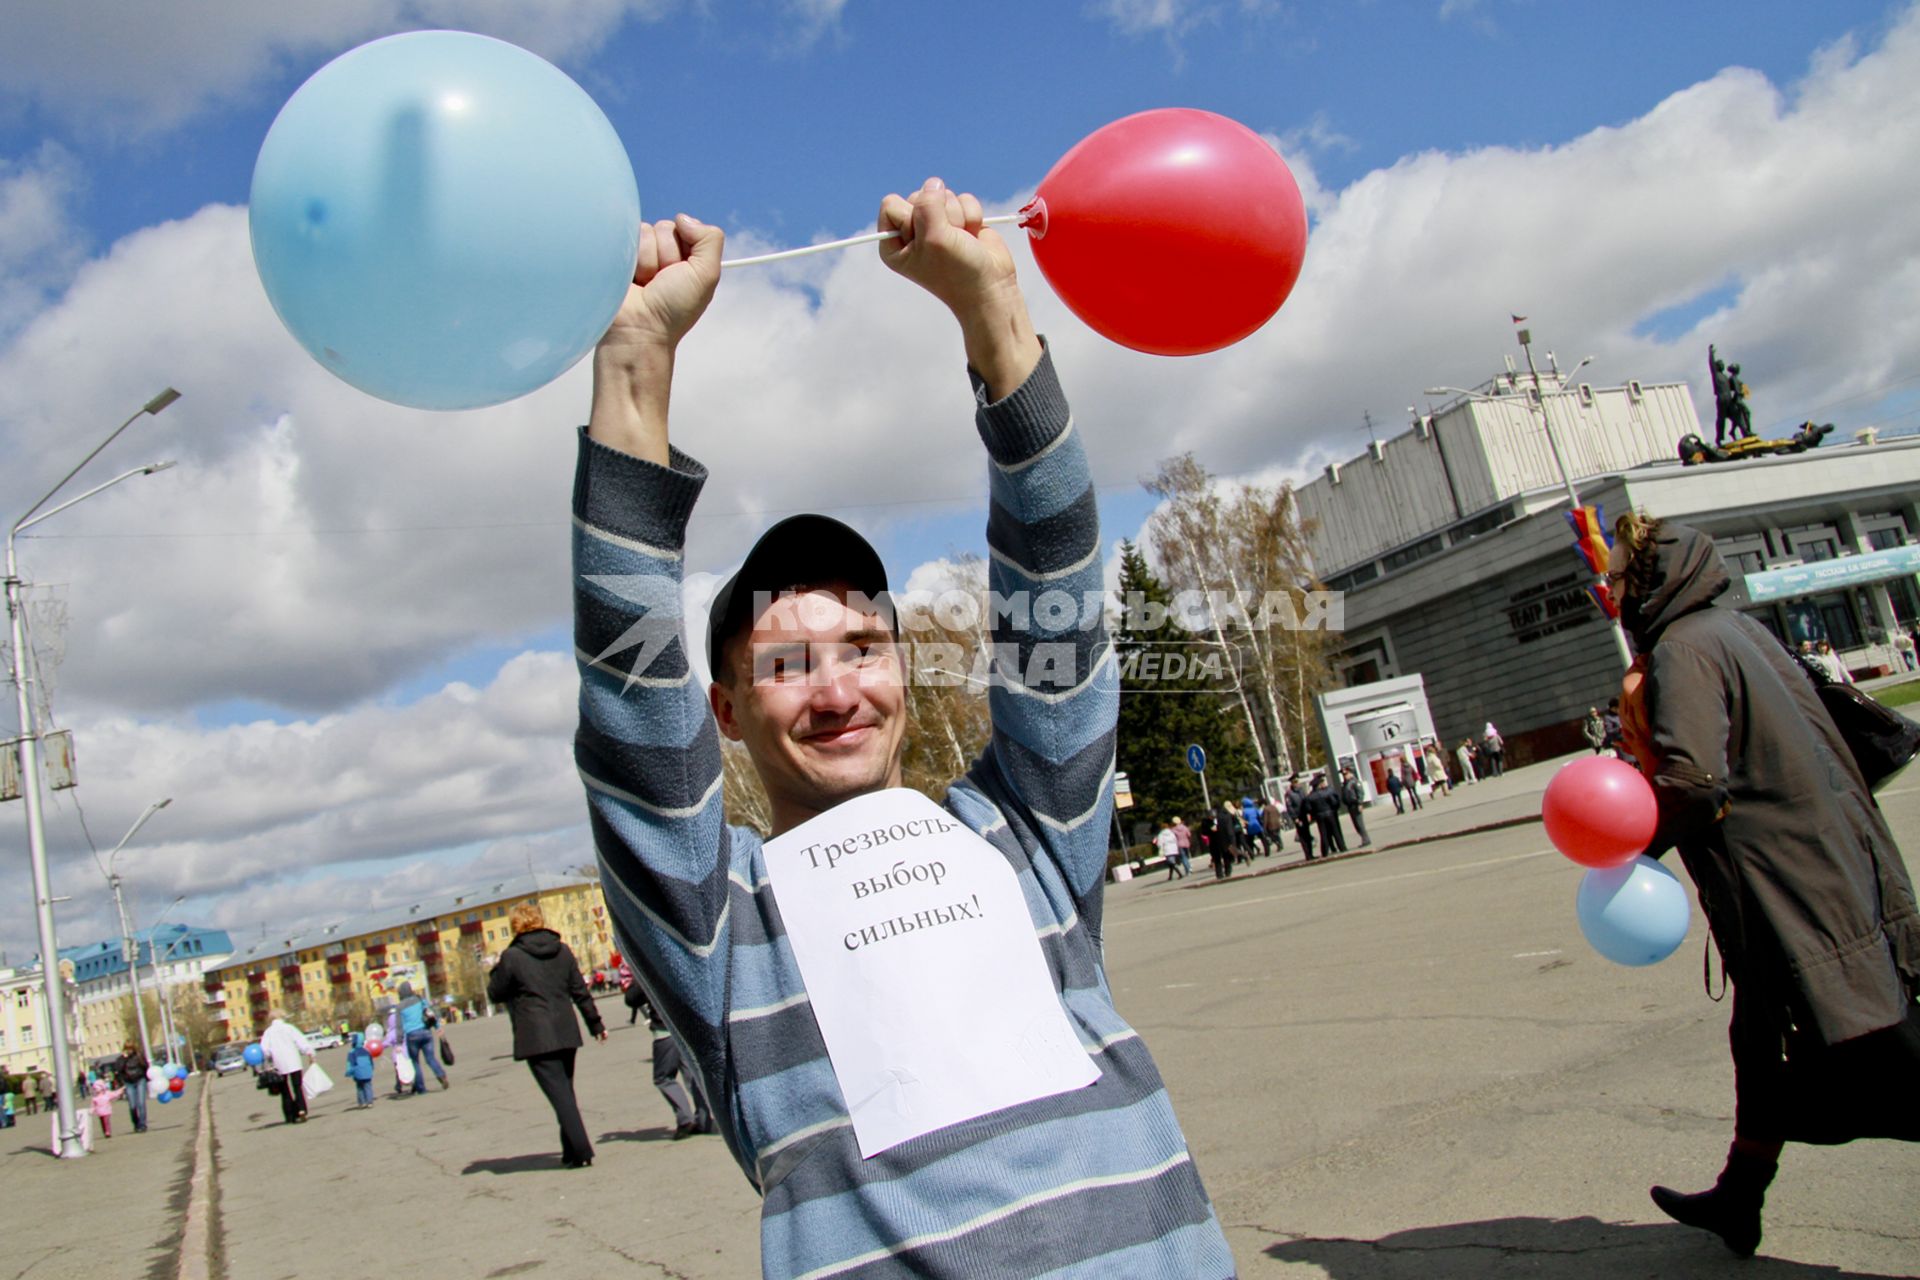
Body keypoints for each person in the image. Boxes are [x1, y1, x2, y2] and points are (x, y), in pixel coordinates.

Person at [570, 184, 1234, 1277]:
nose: (836, 691)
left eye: (863, 648)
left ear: (907, 676)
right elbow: (631, 697)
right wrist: (636, 363)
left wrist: (995, 317)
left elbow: (1055, 595)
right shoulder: (718, 920)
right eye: (785, 664)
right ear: (727, 711)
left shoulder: (1023, 828)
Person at [1610, 512, 1920, 1258]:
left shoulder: (1684, 650)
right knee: (1757, 1037)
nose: (1611, 591)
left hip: (1793, 892)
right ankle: (1739, 1197)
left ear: (1650, 579)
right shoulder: (1738, 629)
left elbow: (1693, 779)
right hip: (1833, 865)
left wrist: (1634, 847)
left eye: (1618, 576)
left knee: (1883, 1061)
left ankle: (1746, 1186)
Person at [486, 900, 607, 1170]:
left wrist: (496, 967)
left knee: (560, 1095)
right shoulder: (562, 950)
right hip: (565, 1029)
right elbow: (579, 991)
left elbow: (495, 992)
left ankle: (582, 1149)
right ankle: (571, 1151)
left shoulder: (512, 957)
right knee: (564, 1091)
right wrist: (596, 1024)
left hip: (536, 1035)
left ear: (515, 925)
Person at [631, 984, 713, 1140]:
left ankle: (685, 1120)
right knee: (693, 1077)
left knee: (663, 1078)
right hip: (686, 1028)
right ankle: (703, 1120)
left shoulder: (651, 964)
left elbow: (632, 998)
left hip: (665, 1030)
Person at [259, 1009, 314, 1124]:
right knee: (297, 1087)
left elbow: (264, 1049)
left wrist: (269, 1057)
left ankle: (289, 1115)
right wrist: (309, 1053)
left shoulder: (268, 1032)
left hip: (279, 1064)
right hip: (294, 1061)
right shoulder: (289, 1028)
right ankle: (301, 1109)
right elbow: (301, 1041)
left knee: (285, 1090)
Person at [396, 981, 449, 1093]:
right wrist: (437, 1027)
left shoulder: (400, 1007)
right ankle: (441, 1075)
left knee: (415, 1062)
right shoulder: (420, 1000)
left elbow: (399, 1026)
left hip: (412, 1036)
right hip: (426, 1032)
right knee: (430, 1058)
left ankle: (421, 1088)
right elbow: (430, 1013)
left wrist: (399, 1043)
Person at [1305, 773, 1346, 855]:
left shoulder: (1310, 797)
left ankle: (1324, 852)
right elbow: (1334, 802)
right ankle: (1342, 847)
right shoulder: (1326, 793)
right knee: (1335, 831)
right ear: (1319, 785)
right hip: (1330, 814)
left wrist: (1314, 814)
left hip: (1319, 816)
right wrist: (1334, 809)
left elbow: (1308, 809)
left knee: (1323, 834)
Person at [116, 1040, 149, 1134]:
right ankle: (136, 1123)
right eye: (127, 1048)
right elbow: (118, 1069)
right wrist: (124, 1059)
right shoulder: (121, 1059)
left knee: (141, 1103)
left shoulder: (139, 1056)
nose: (129, 1050)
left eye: (131, 1048)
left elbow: (146, 1066)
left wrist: (145, 1077)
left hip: (140, 1080)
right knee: (132, 1105)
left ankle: (143, 1124)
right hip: (128, 1082)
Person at [1337, 767, 1370, 847]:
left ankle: (1366, 839)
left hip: (1356, 805)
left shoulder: (1355, 782)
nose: (1344, 776)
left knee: (1359, 823)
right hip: (1350, 806)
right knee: (1356, 824)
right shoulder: (1345, 783)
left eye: (1345, 774)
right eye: (1343, 775)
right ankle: (1364, 838)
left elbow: (1360, 793)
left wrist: (1360, 804)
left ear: (1350, 773)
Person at [1286, 773, 1316, 859]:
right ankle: (1307, 855)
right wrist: (1295, 818)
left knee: (1307, 834)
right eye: (1295, 782)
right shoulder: (1289, 794)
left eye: (1297, 781)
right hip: (1298, 817)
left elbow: (1306, 802)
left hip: (1304, 815)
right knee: (1302, 836)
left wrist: (1309, 813)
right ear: (1291, 783)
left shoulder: (1301, 790)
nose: (1297, 783)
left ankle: (1311, 853)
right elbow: (1289, 807)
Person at [345, 1032, 376, 1108]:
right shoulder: (367, 1051)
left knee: (360, 1088)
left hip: (358, 1073)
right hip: (368, 1073)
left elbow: (350, 1063)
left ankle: (362, 1102)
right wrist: (371, 1069)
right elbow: (371, 1062)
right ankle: (370, 1102)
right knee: (368, 1087)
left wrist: (348, 1072)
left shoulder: (352, 1052)